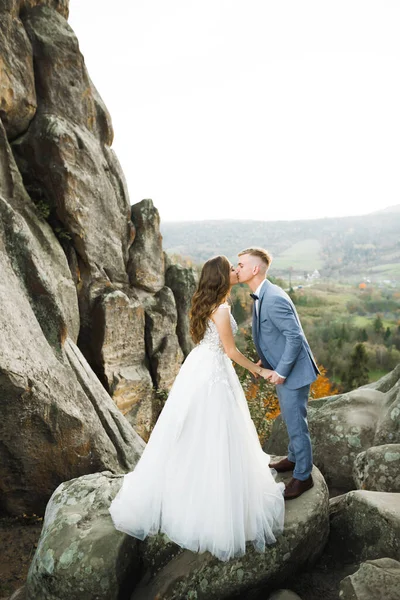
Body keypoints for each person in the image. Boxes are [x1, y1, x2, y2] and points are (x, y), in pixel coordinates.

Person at [109, 255, 285, 562]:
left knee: (194, 430)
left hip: (200, 367)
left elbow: (217, 345)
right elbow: (229, 351)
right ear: (220, 276)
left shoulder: (206, 304)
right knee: (217, 430)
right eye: (231, 268)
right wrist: (260, 372)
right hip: (214, 371)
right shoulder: (223, 308)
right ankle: (211, 500)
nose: (235, 271)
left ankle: (185, 487)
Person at [236, 248, 320, 500]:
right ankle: (294, 459)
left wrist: (281, 370)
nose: (236, 268)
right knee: (291, 418)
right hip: (284, 368)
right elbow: (275, 334)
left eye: (240, 264)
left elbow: (295, 337)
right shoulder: (263, 294)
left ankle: (303, 477)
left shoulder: (273, 298)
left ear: (254, 269)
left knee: (296, 425)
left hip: (293, 372)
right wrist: (267, 358)